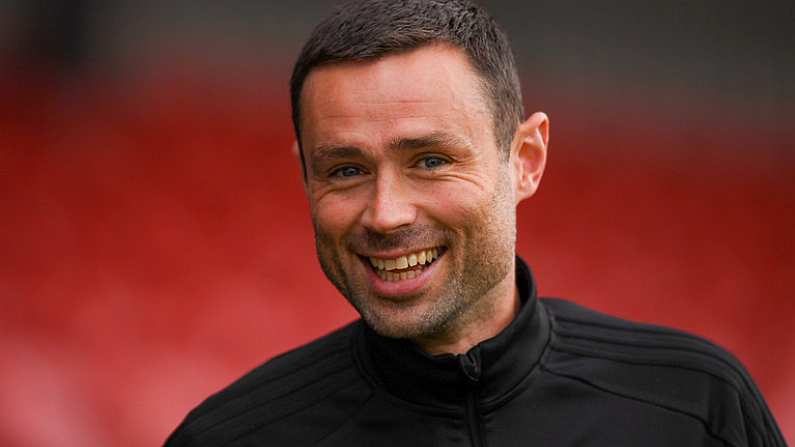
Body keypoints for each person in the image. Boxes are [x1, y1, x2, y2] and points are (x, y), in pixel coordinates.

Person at [165, 1, 786, 445]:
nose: (386, 214)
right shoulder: (227, 436)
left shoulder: (698, 406)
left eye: (430, 161)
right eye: (347, 171)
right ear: (306, 178)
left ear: (525, 161)